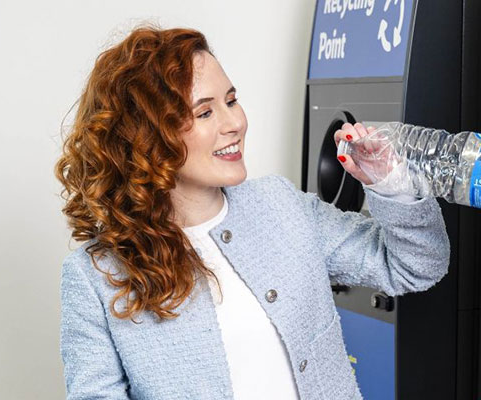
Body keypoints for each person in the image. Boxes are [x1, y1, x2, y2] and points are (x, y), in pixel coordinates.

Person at [54, 26, 450, 400]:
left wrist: (389, 184)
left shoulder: (279, 205)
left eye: (231, 100)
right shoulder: (95, 278)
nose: (235, 123)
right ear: (146, 138)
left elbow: (415, 265)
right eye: (205, 112)